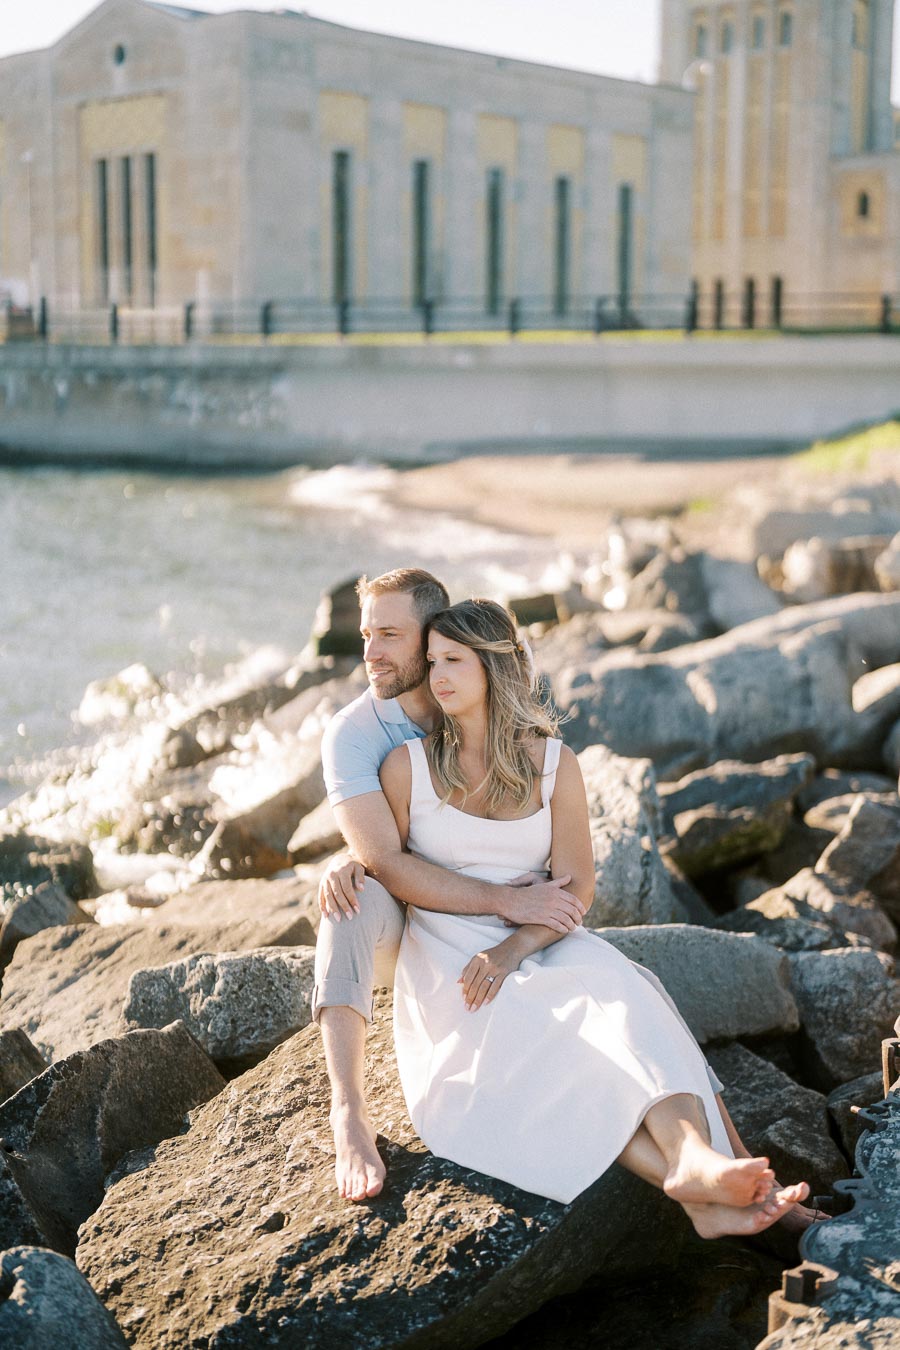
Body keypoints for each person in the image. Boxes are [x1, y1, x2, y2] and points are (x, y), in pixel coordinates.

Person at [376, 597, 811, 1236]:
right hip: (450, 956)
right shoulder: (406, 767)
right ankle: (704, 1182)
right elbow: (386, 863)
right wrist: (348, 865)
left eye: (455, 660)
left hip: (544, 935)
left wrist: (514, 947)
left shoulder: (554, 763)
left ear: (497, 667)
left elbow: (576, 885)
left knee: (625, 997)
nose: (438, 675)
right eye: (432, 660)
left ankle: (697, 1172)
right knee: (560, 1040)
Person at [314, 570, 587, 1203]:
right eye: (365, 634)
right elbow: (384, 857)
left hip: (490, 919)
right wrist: (346, 855)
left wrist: (518, 920)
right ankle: (348, 1112)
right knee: (346, 902)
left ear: (434, 637)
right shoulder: (355, 735)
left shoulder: (466, 686)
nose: (371, 652)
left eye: (389, 634)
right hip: (406, 912)